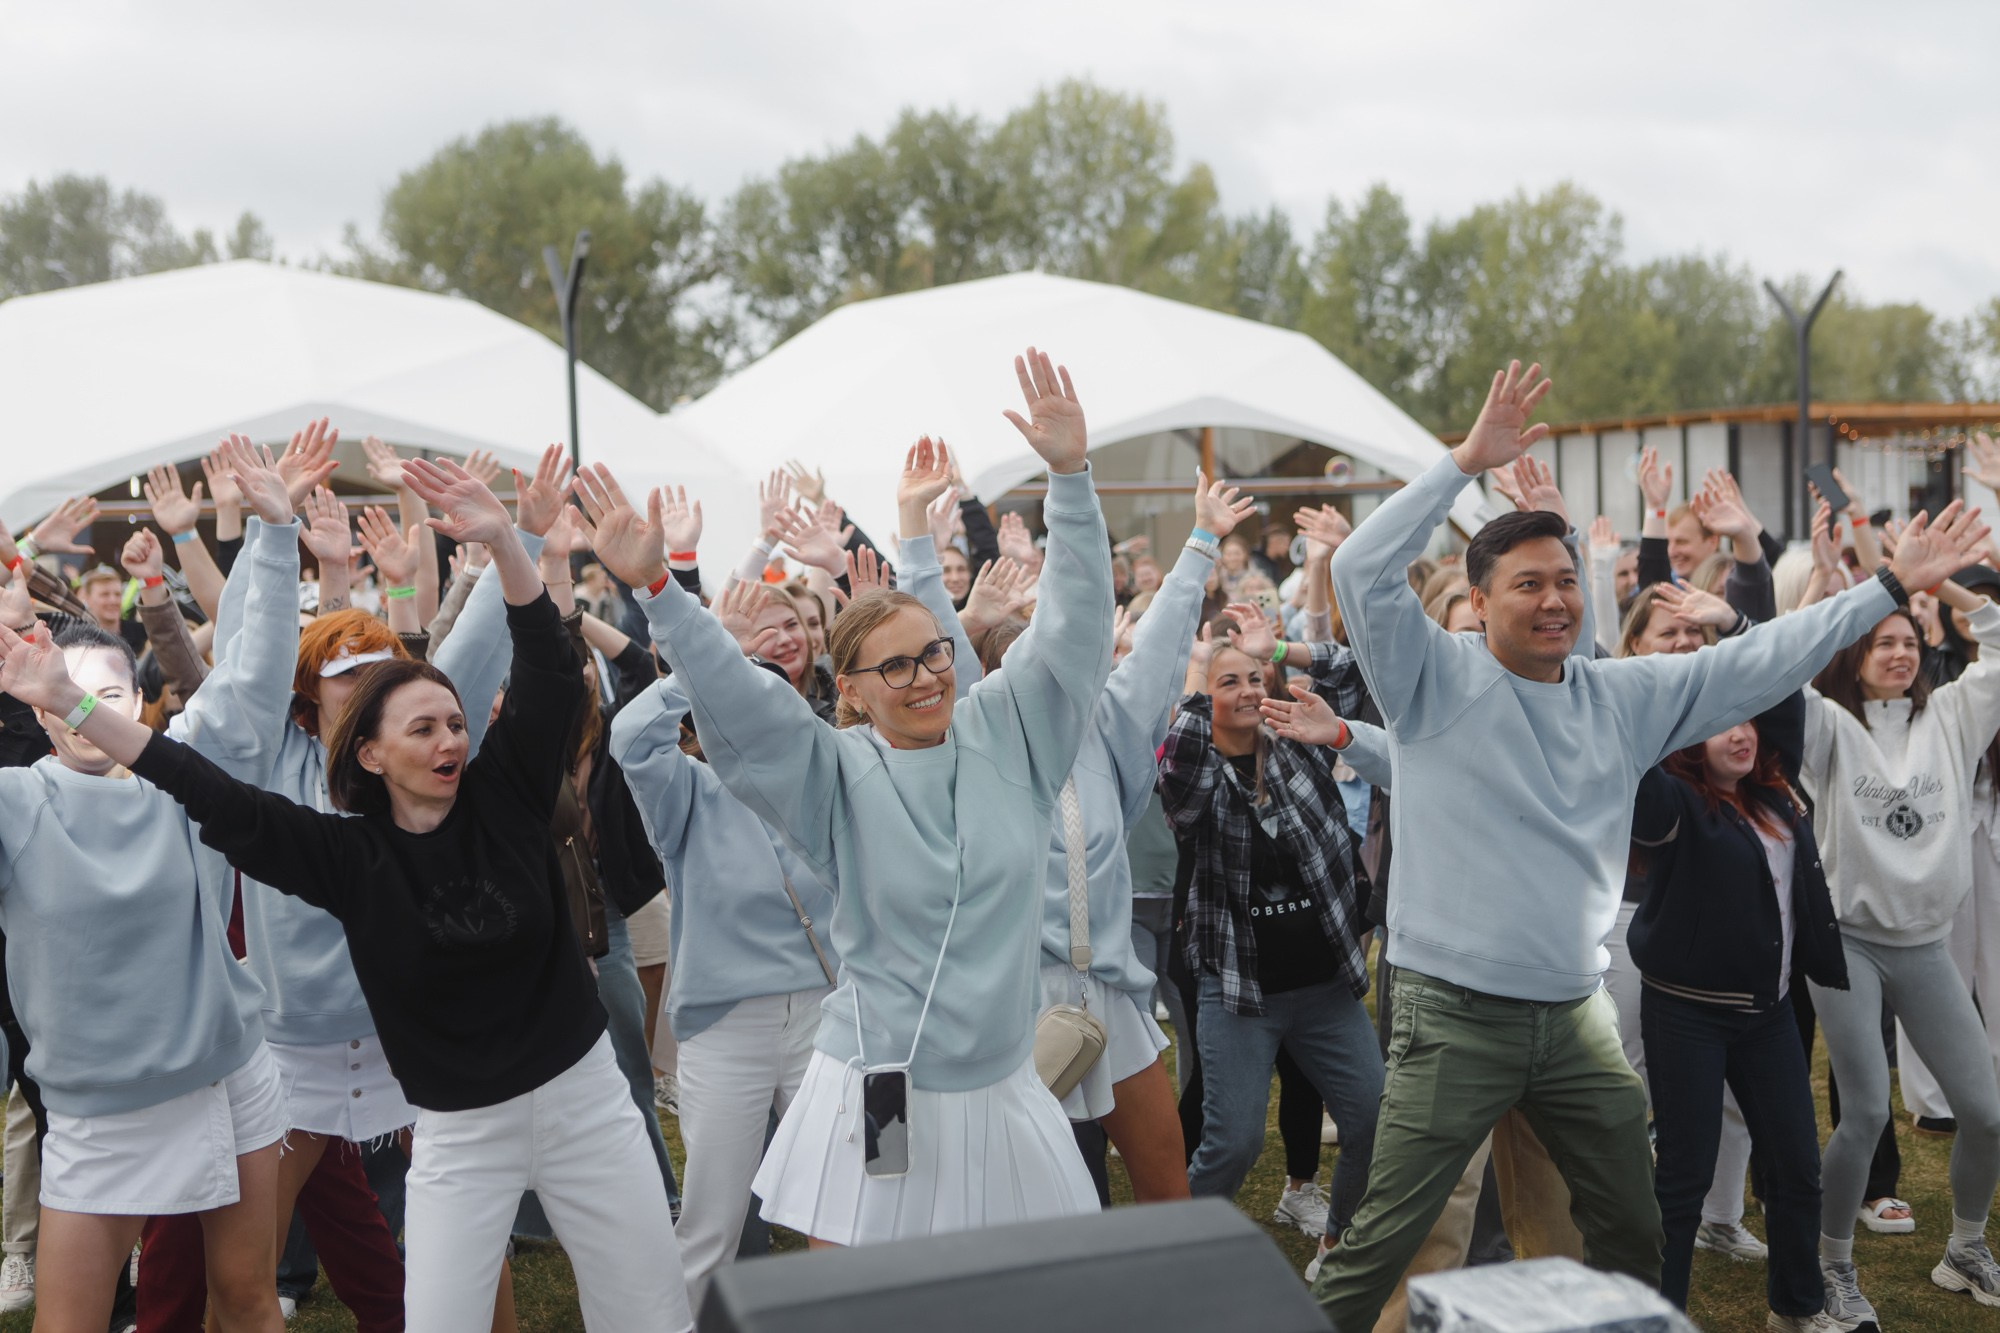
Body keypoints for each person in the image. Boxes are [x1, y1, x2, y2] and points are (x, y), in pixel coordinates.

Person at [1310, 359, 1991, 1332]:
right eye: (1525, 584)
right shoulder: (1428, 676)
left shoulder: (1619, 699)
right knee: (1387, 1236)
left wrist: (1881, 583)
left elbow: (1760, 657)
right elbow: (1352, 571)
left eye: (1562, 583)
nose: (1553, 600)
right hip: (1451, 1009)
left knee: (1627, 1227)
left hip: (1571, 1012)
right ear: (1480, 593)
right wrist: (1461, 461)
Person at [0, 457, 692, 1333]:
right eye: (421, 727)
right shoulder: (340, 853)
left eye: (453, 721)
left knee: (650, 1311)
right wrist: (70, 703)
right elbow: (200, 783)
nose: (448, 739)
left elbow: (547, 666)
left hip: (582, 1096)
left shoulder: (507, 790)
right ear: (366, 751)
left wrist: (509, 542)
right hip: (450, 1124)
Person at [578, 347, 1110, 1248]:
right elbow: (738, 694)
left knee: (1015, 1299)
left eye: (934, 651)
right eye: (894, 664)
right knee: (866, 1296)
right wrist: (662, 591)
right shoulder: (831, 770)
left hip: (1000, 1084)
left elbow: (1077, 626)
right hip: (879, 1077)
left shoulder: (1012, 729)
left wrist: (1071, 478)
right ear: (850, 688)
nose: (925, 675)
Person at [0, 438, 304, 1333]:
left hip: (229, 1072)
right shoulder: (20, 804)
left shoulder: (182, 784)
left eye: (109, 691)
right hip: (99, 1111)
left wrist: (276, 533)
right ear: (41, 717)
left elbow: (252, 681)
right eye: (64, 693)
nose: (86, 707)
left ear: (140, 704)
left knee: (246, 1297)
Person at [978, 465, 1254, 1204]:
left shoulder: (1107, 731)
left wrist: (1199, 542)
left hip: (1114, 991)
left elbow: (1160, 645)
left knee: (1167, 1184)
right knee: (1065, 1192)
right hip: (1022, 1005)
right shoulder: (977, 756)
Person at [1159, 597, 1382, 1275]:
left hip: (1323, 984)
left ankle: (1336, 1239)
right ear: (1206, 697)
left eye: (1254, 680)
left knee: (1374, 1117)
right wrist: (1208, 681)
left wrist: (1279, 652)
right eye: (1232, 683)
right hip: (1238, 989)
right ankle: (1180, 1256)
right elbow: (1184, 759)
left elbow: (1357, 682)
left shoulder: (1296, 748)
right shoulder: (1194, 776)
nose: (1250, 690)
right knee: (1233, 1142)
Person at [1799, 577, 2000, 1323]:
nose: (1900, 652)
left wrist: (1944, 585)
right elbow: (1777, 667)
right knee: (1865, 1113)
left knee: (1983, 1111)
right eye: (1882, 641)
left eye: (1910, 641)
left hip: (1926, 946)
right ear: (1855, 655)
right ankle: (1833, 1265)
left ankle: (1966, 1249)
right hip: (1848, 943)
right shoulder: (1827, 726)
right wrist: (1836, 598)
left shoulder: (1951, 714)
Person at [1626, 688, 1847, 1330]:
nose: (1741, 734)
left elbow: (1781, 697)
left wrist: (1738, 625)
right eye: (1721, 726)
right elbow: (1639, 768)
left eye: (1746, 721)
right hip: (1686, 1013)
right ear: (1689, 742)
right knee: (1683, 1182)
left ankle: (1797, 1308)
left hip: (1769, 1014)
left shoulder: (1774, 793)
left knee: (1797, 1169)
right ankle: (1660, 1317)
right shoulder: (1674, 801)